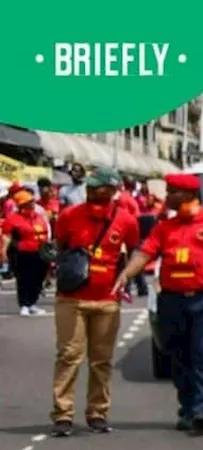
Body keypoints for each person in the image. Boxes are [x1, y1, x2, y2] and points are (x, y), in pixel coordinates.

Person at [113, 173, 203, 436]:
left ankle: (201, 411)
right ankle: (186, 407)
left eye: (173, 192)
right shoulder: (165, 228)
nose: (167, 197)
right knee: (178, 356)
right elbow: (144, 253)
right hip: (172, 302)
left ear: (189, 195)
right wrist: (126, 274)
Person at [49, 169, 139, 436]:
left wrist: (125, 277)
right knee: (68, 357)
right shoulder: (69, 216)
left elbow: (134, 252)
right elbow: (61, 247)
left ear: (113, 193)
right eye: (90, 190)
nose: (92, 196)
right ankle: (63, 415)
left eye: (100, 192)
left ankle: (98, 412)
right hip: (71, 299)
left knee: (101, 360)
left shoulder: (126, 220)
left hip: (107, 301)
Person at [1, 188, 51, 316]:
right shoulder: (13, 219)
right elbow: (6, 237)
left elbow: (46, 232)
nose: (32, 204)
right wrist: (4, 253)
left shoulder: (38, 216)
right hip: (22, 253)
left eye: (32, 201)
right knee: (24, 279)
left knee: (38, 278)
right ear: (21, 205)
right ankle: (24, 304)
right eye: (28, 202)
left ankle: (32, 303)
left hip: (41, 253)